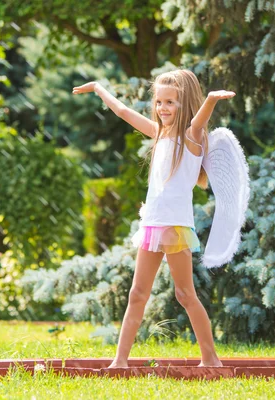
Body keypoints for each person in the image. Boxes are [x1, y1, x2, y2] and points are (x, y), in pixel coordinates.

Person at [72, 69, 235, 368]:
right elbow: (122, 111)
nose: (162, 108)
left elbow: (199, 120)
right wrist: (98, 87)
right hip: (151, 225)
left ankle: (211, 359)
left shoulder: (191, 138)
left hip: (174, 227)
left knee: (185, 294)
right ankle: (119, 361)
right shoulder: (159, 134)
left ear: (183, 104)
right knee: (137, 294)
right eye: (159, 102)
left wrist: (211, 100)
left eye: (170, 102)